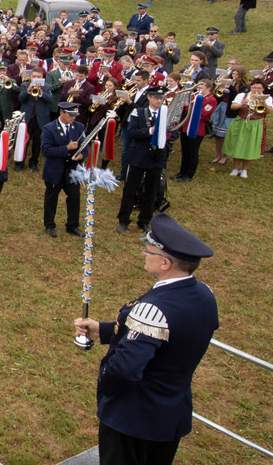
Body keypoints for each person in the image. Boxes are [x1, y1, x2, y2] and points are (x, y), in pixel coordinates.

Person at [73, 213, 218, 465]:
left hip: (133, 419)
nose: (143, 254)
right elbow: (171, 336)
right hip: (171, 414)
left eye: (148, 250)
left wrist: (106, 386)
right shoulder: (205, 295)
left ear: (165, 263)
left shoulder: (153, 309)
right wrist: (103, 329)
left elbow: (123, 370)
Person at [116, 88, 169, 233]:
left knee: (151, 191)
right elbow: (131, 132)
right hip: (139, 155)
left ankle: (145, 220)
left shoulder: (165, 114)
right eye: (156, 98)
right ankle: (123, 220)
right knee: (130, 189)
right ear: (150, 98)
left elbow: (173, 132)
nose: (159, 101)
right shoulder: (138, 113)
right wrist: (149, 131)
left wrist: (165, 135)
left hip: (156, 157)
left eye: (161, 98)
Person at [42, 102, 86, 238]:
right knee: (51, 198)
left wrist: (82, 155)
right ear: (62, 113)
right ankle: (49, 225)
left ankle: (72, 225)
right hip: (55, 170)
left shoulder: (79, 127)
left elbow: (85, 145)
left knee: (74, 197)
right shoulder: (49, 129)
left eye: (75, 115)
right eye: (71, 115)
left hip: (72, 171)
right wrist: (66, 148)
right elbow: (46, 150)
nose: (73, 118)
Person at [222, 78, 273, 178]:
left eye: (259, 88)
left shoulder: (267, 98)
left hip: (256, 124)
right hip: (241, 122)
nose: (256, 90)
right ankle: (235, 168)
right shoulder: (242, 95)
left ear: (263, 88)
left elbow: (269, 111)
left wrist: (263, 102)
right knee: (238, 145)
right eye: (254, 87)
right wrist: (243, 103)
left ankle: (244, 169)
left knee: (249, 147)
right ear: (251, 87)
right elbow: (233, 107)